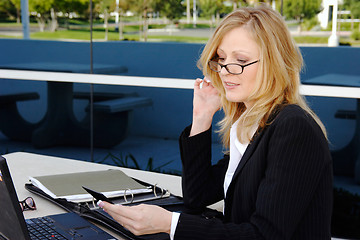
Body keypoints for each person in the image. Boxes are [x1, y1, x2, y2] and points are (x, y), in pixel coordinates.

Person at [98, 4, 333, 240]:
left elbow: (264, 236)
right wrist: (201, 117)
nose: (224, 71)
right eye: (221, 58)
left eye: (240, 59)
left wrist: (170, 224)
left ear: (275, 63)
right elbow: (197, 197)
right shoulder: (249, 124)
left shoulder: (293, 128)